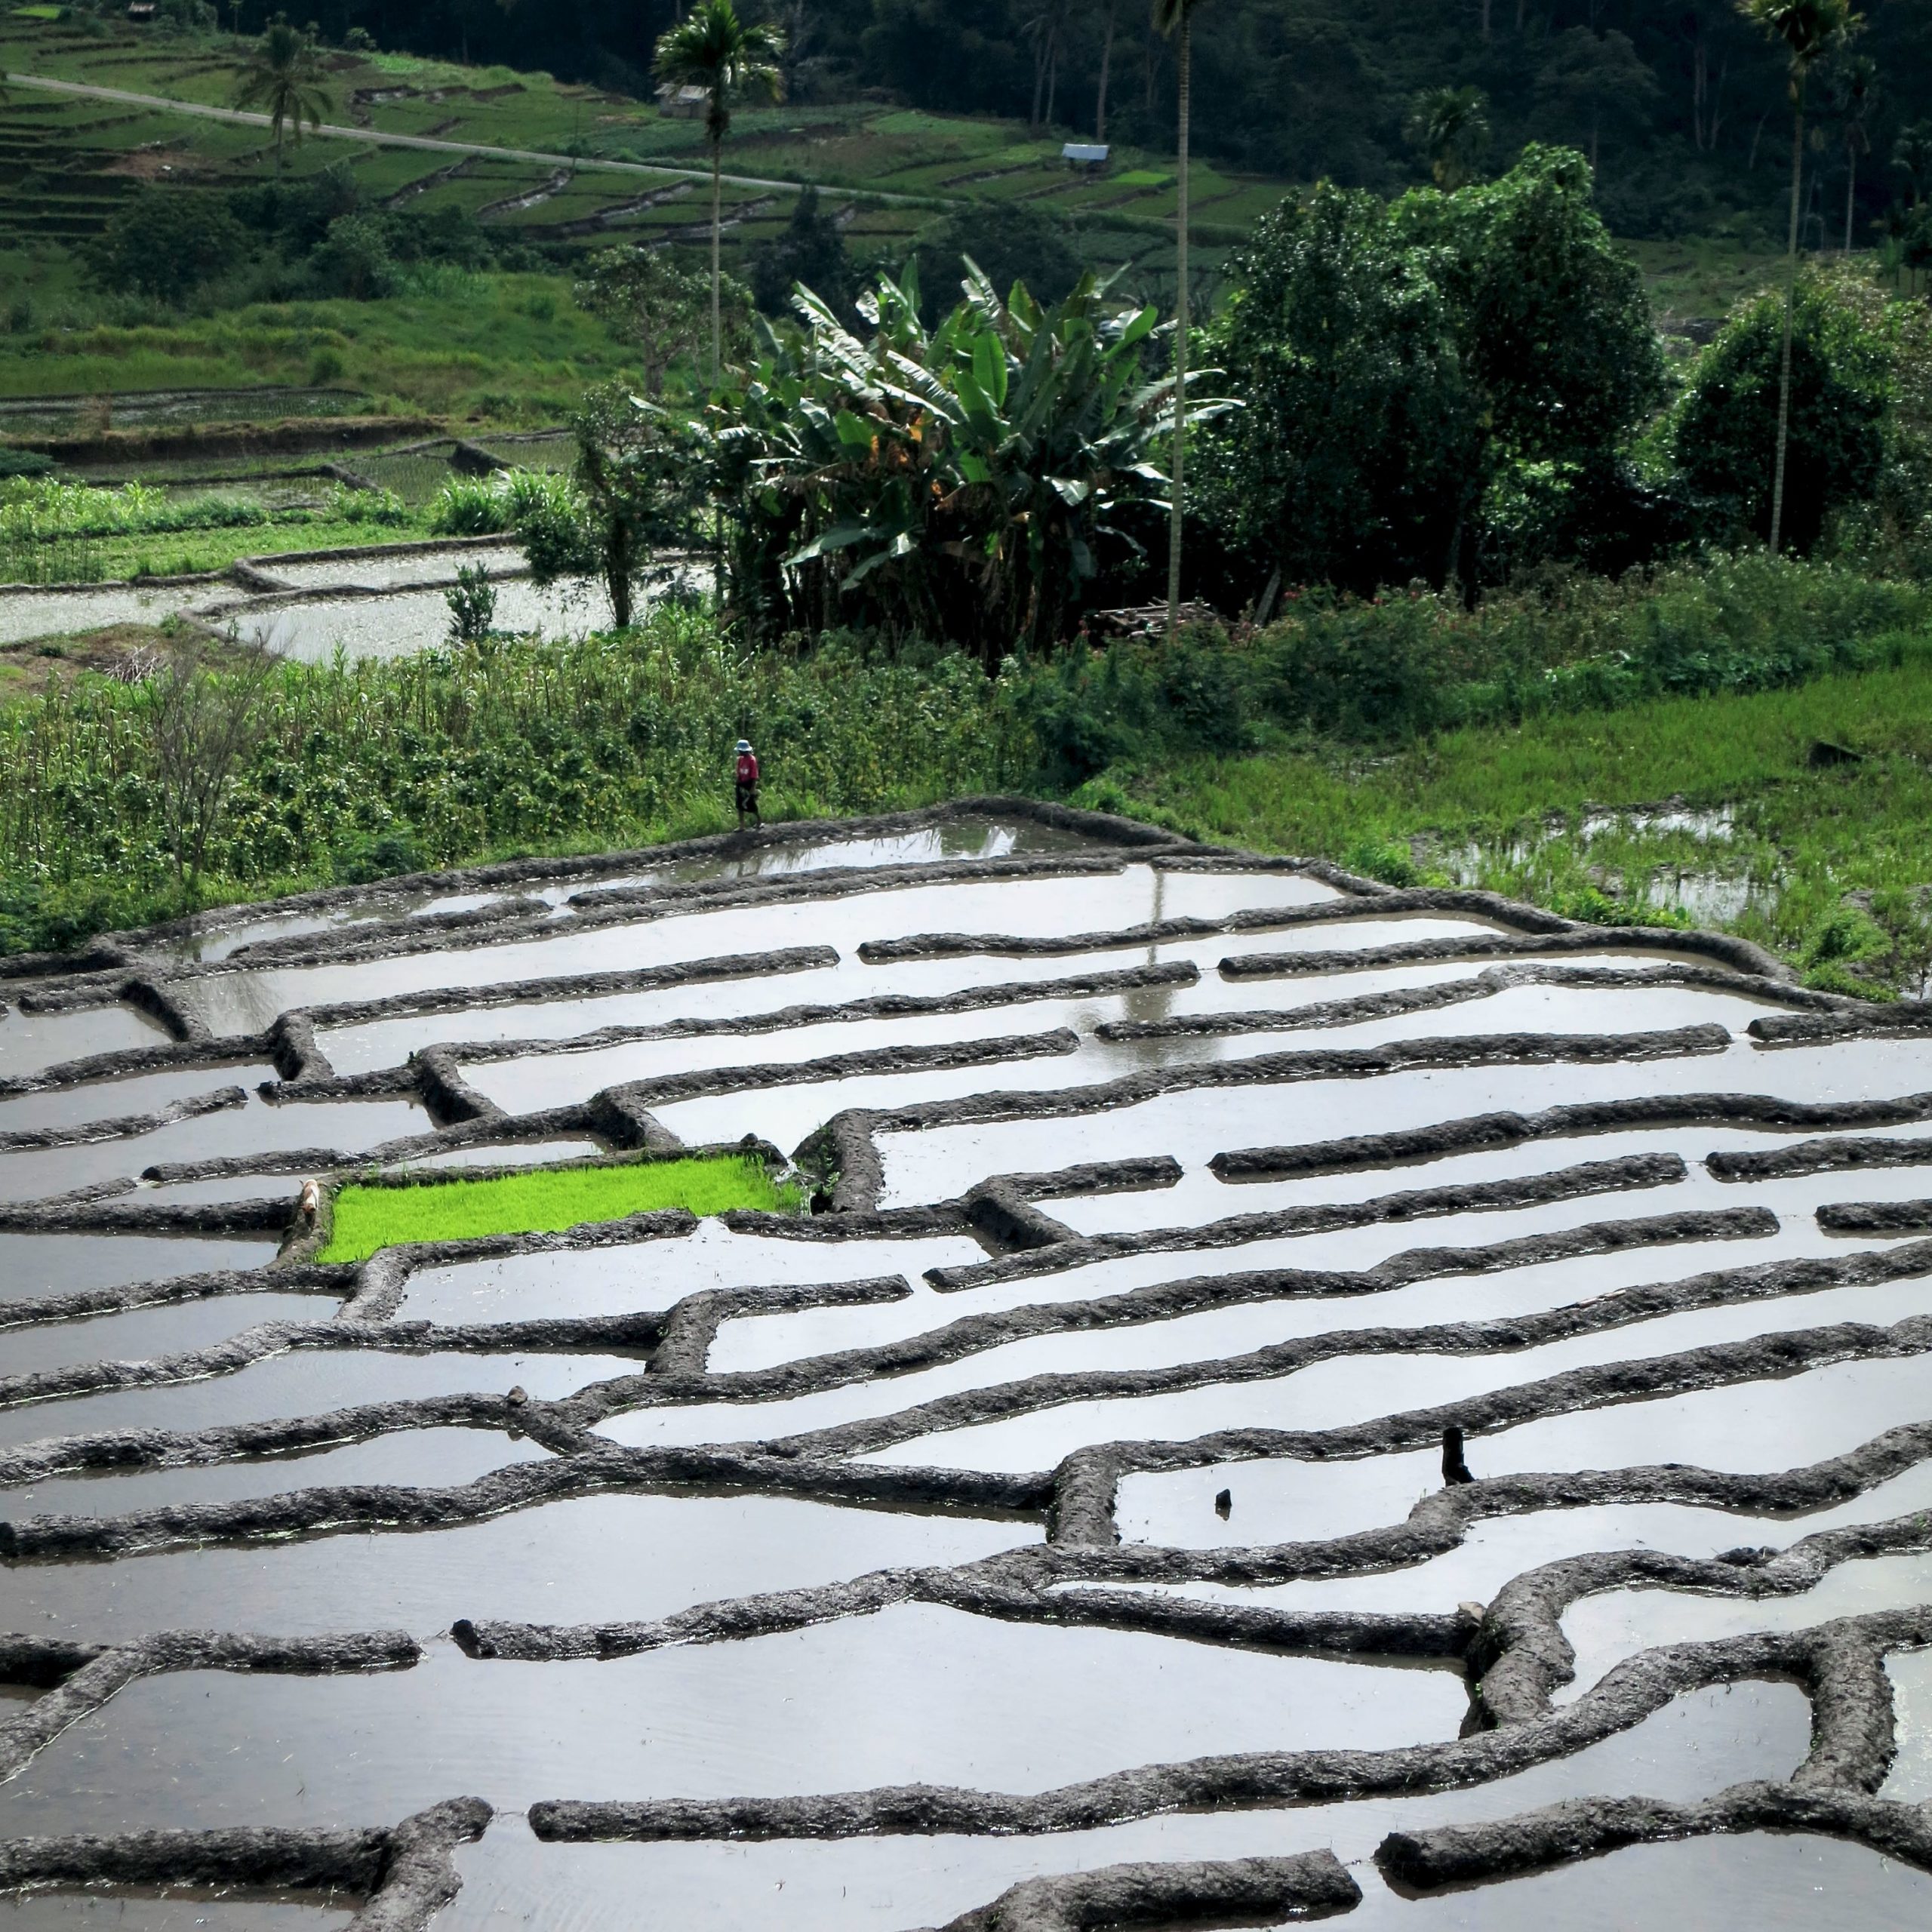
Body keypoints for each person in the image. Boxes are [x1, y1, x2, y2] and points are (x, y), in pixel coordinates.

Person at [734, 737, 761, 830]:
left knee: (751, 804)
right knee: (739, 805)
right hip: (741, 784)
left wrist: (753, 788)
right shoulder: (740, 759)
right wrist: (738, 781)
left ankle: (759, 821)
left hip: (749, 784)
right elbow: (738, 771)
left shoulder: (752, 760)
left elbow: (754, 775)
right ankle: (741, 825)